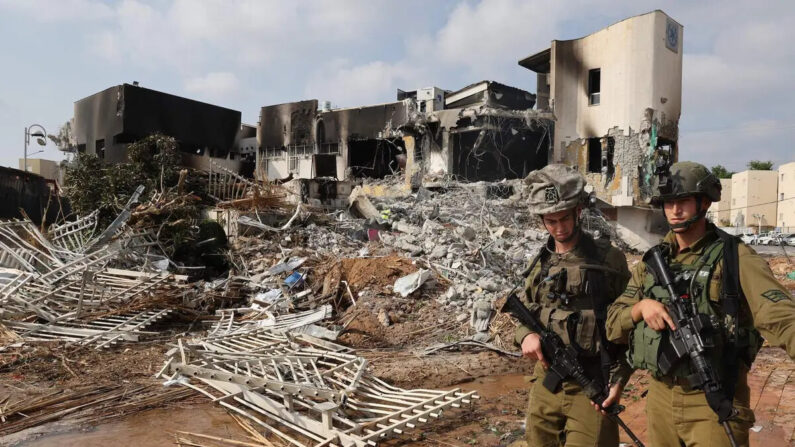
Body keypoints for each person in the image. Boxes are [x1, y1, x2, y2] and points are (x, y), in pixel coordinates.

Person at [605, 161, 795, 447]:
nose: (674, 210)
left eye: (683, 201)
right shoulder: (653, 263)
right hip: (660, 396)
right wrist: (640, 308)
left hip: (715, 396)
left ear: (704, 203)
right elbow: (613, 323)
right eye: (668, 203)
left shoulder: (734, 256)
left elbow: (777, 313)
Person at [516, 164, 631, 447]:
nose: (559, 228)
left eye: (564, 218)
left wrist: (619, 380)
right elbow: (525, 313)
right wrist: (525, 336)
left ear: (578, 211)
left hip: (593, 382)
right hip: (547, 381)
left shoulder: (609, 260)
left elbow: (631, 324)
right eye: (550, 221)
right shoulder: (541, 263)